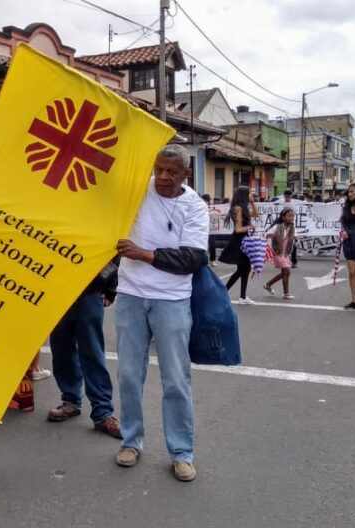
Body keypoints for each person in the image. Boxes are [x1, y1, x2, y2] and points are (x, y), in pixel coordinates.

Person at [114, 144, 208, 482]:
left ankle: (182, 452)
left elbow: (192, 259)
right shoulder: (138, 191)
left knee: (176, 380)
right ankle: (131, 441)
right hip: (130, 295)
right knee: (127, 375)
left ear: (186, 174)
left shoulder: (195, 207)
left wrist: (143, 254)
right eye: (158, 169)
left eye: (171, 172)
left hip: (172, 300)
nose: (163, 177)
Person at [46, 257, 121, 439]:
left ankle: (102, 412)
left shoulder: (102, 226)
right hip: (57, 289)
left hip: (88, 292)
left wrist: (109, 287)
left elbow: (111, 250)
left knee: (92, 352)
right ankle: (71, 400)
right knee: (61, 349)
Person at [219, 186, 258, 304]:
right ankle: (226, 293)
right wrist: (249, 227)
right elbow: (238, 229)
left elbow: (256, 214)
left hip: (244, 240)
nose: (252, 195)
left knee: (244, 269)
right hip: (239, 241)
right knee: (243, 269)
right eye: (250, 194)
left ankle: (241, 296)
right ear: (243, 194)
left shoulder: (243, 208)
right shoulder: (238, 209)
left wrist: (252, 202)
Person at [263, 208, 297, 300]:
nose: (291, 218)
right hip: (277, 251)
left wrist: (296, 238)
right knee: (287, 271)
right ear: (283, 217)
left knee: (284, 273)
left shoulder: (292, 228)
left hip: (285, 253)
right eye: (289, 216)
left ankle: (268, 285)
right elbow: (266, 234)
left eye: (292, 216)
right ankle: (286, 294)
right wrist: (271, 235)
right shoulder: (277, 227)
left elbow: (295, 236)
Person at [340, 183, 355, 310]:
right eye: (349, 192)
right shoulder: (346, 208)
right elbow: (343, 222)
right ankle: (354, 301)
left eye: (352, 191)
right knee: (352, 272)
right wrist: (344, 231)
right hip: (350, 241)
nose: (349, 194)